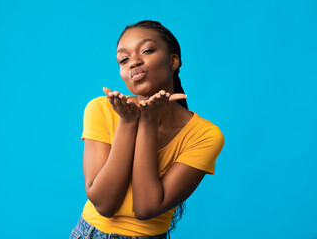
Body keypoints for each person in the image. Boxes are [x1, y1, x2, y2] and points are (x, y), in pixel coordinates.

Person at [69, 20, 224, 239]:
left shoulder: (205, 135)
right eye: (124, 59)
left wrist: (148, 123)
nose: (133, 62)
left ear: (173, 61)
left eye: (147, 50)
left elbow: (146, 208)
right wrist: (128, 122)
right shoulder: (101, 108)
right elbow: (104, 203)